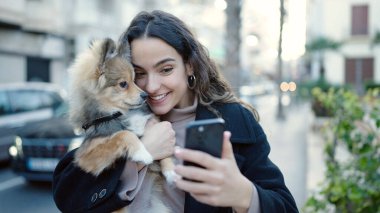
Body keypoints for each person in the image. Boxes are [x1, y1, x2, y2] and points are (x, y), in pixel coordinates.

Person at [53, 10, 298, 213]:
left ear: (189, 65)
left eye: (166, 69)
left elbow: (285, 206)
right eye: (139, 73)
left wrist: (244, 194)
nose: (151, 86)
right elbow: (68, 196)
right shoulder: (118, 116)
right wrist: (140, 154)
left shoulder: (233, 120)